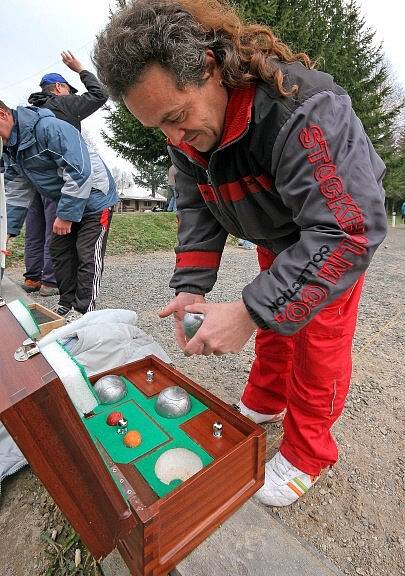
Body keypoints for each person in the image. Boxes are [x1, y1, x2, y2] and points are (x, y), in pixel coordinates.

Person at [93, 0, 387, 506]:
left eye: (177, 118)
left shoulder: (302, 110)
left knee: (318, 343)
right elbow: (196, 203)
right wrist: (191, 286)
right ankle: (265, 402)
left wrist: (250, 310)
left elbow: (348, 230)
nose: (173, 138)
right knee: (273, 325)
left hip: (330, 239)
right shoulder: (184, 128)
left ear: (209, 68)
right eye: (157, 127)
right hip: (278, 237)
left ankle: (309, 452)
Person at [0, 100, 118, 322]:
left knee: (87, 252)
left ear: (2, 115)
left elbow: (78, 170)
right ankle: (66, 303)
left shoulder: (50, 128)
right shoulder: (11, 148)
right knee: (59, 250)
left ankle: (84, 311)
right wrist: (7, 232)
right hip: (68, 198)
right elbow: (16, 190)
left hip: (95, 196)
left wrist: (65, 215)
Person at [22, 51, 109, 297]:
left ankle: (32, 278)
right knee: (56, 226)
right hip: (56, 177)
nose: (72, 94)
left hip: (32, 179)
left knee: (35, 227)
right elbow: (99, 95)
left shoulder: (31, 112)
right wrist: (80, 69)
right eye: (69, 89)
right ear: (59, 88)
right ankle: (51, 280)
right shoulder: (63, 103)